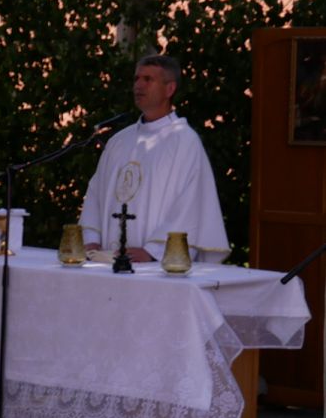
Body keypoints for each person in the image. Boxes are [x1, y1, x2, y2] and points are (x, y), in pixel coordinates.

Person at [80, 54, 229, 263]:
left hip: (154, 266)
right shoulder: (119, 141)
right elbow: (96, 193)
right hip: (106, 261)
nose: (138, 85)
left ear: (170, 89)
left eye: (148, 79)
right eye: (136, 78)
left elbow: (191, 205)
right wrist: (91, 240)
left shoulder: (184, 142)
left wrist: (153, 251)